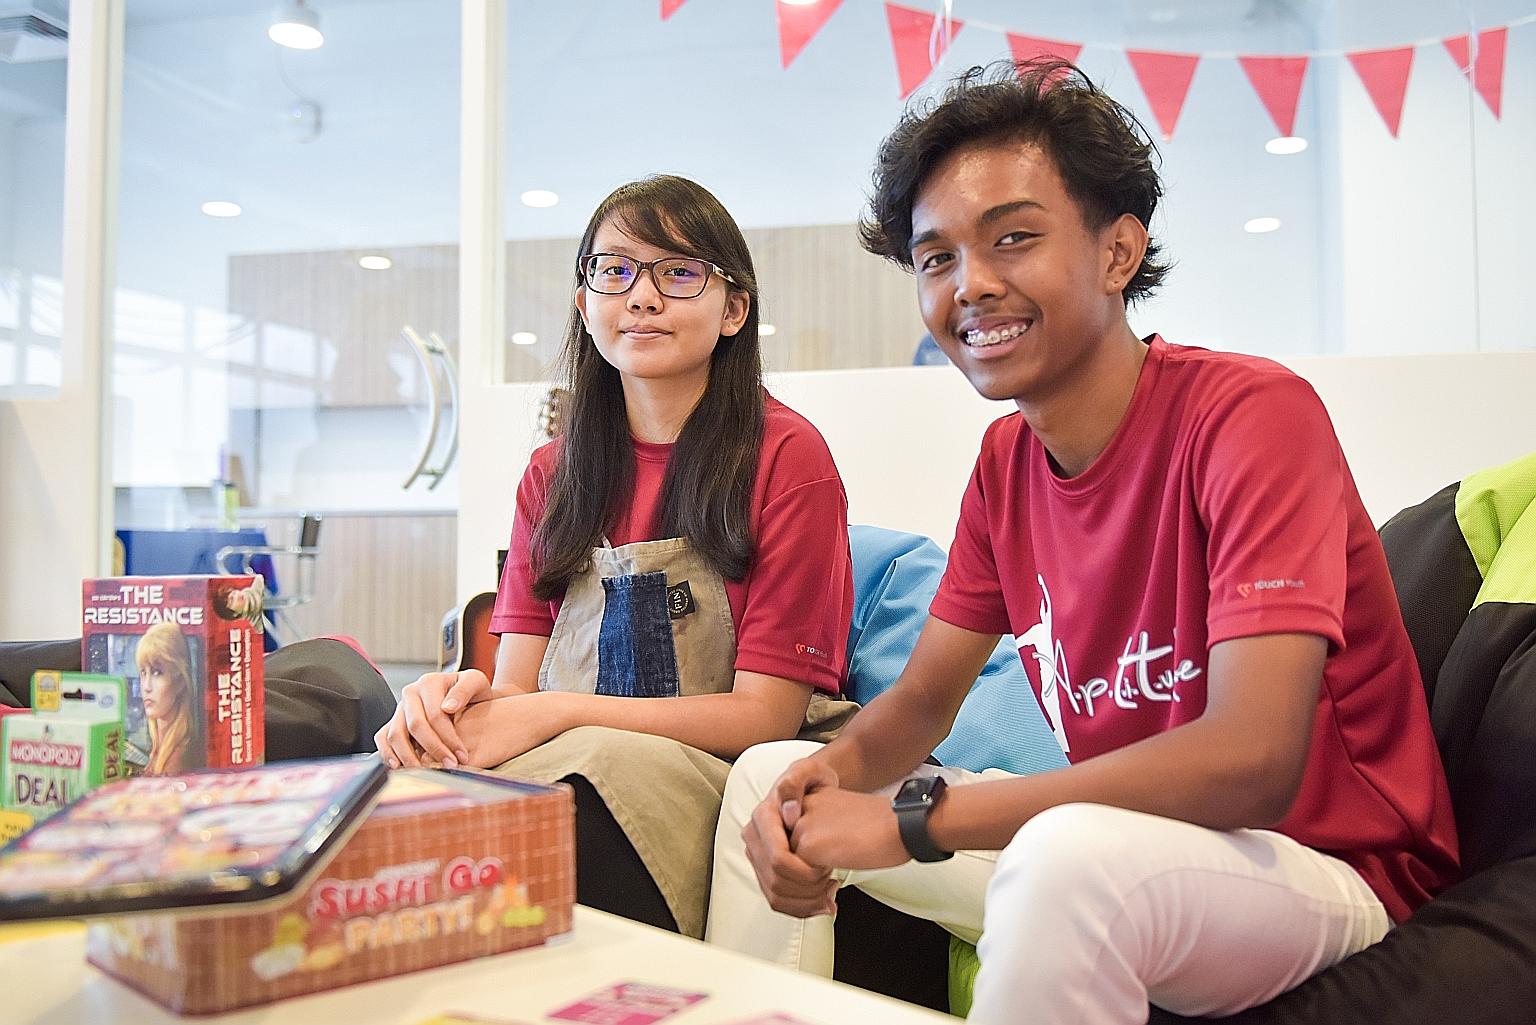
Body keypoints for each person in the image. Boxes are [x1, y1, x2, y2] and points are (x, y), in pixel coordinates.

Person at [704, 60, 1459, 1024]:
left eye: (1013, 238)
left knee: (1068, 859)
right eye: (936, 258)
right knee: (770, 780)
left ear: (1116, 253)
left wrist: (916, 821)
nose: (971, 285)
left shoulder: (1251, 417)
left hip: (1328, 871)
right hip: (1129, 848)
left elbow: (1254, 758)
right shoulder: (1007, 462)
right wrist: (835, 776)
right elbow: (927, 697)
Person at [374, 175, 857, 940]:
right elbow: (513, 690)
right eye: (615, 270)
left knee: (576, 791)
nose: (641, 297)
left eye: (679, 272)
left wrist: (552, 711)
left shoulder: (788, 456)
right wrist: (444, 705)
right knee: (402, 785)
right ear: (584, 303)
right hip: (577, 762)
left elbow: (764, 717)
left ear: (735, 309)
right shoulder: (552, 474)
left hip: (727, 776)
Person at [135, 622, 200, 775]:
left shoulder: (179, 759)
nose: (146, 686)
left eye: (157, 672)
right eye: (143, 672)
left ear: (180, 682)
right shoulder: (157, 748)